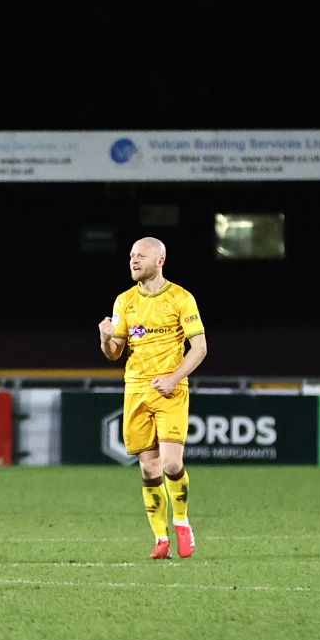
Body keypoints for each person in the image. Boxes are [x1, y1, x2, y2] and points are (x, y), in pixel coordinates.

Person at [98, 237, 207, 560]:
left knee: (172, 463)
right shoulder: (124, 301)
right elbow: (114, 353)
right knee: (149, 470)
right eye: (132, 255)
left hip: (171, 391)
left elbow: (200, 348)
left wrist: (173, 378)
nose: (133, 260)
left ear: (160, 260)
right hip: (136, 392)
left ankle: (181, 522)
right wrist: (105, 338)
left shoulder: (181, 298)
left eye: (141, 256)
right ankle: (161, 538)